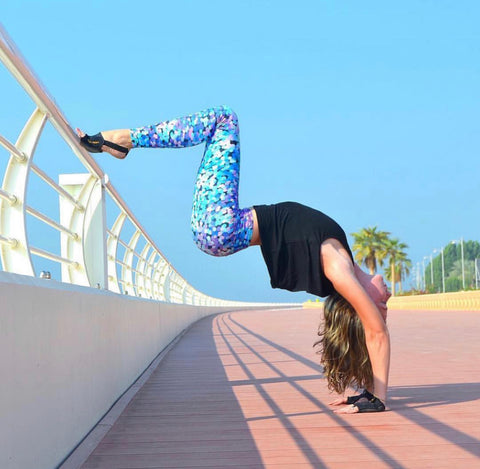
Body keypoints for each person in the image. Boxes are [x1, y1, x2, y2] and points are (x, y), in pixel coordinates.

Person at [77, 105, 391, 414]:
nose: (388, 296)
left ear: (362, 300)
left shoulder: (338, 267)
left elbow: (376, 333)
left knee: (224, 120)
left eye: (382, 305)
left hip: (221, 225)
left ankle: (122, 139)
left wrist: (378, 398)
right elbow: (372, 328)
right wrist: (363, 389)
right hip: (221, 226)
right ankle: (121, 142)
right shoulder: (342, 254)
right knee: (219, 127)